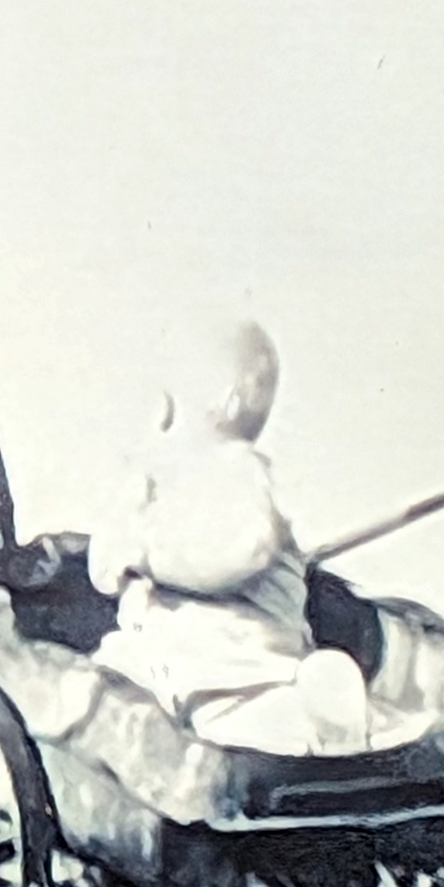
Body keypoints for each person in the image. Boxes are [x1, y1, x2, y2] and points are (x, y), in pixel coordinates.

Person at [88, 321, 373, 755]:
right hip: (158, 668)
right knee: (102, 681)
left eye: (170, 398)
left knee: (258, 726)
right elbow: (104, 566)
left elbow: (242, 552)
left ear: (225, 401)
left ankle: (326, 719)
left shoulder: (240, 473)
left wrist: (148, 555)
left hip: (236, 673)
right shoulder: (152, 477)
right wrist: (121, 535)